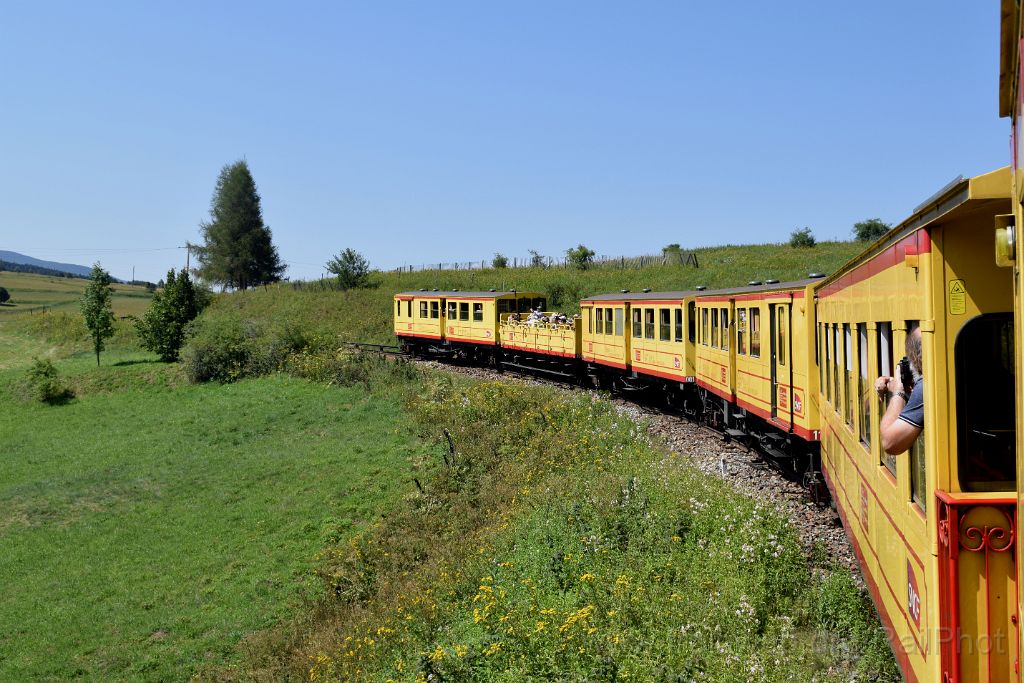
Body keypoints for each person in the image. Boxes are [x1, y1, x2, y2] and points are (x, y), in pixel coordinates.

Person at [874, 325, 923, 455]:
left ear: (916, 360)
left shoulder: (927, 386)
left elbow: (889, 442)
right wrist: (892, 384)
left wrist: (898, 391)